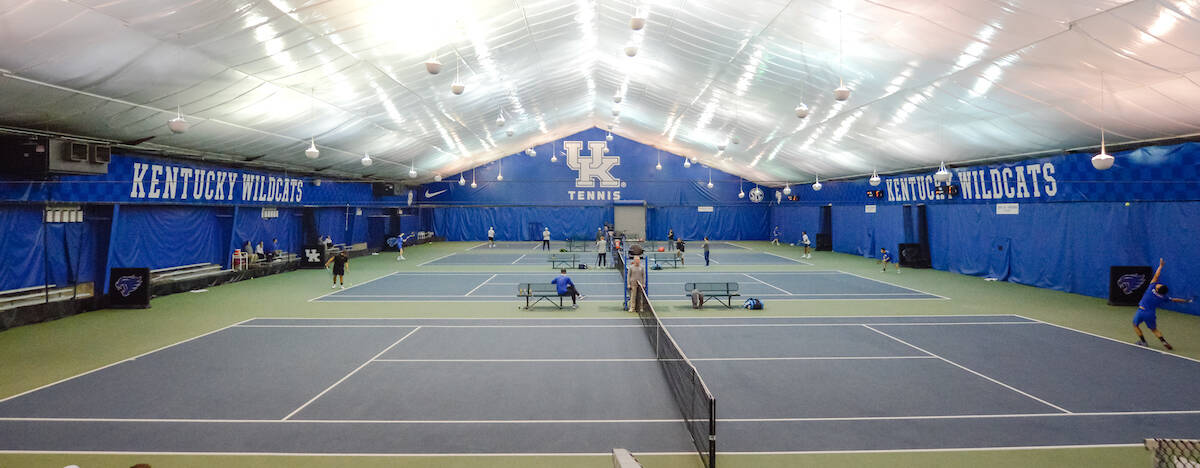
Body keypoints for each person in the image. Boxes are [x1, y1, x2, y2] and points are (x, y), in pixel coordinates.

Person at [1133, 258, 1192, 349]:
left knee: (1135, 325)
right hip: (1150, 314)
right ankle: (1163, 341)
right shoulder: (1164, 297)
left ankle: (1143, 342)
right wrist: (1185, 301)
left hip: (1141, 311)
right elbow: (1174, 299)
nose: (1159, 284)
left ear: (1157, 289)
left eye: (1159, 285)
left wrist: (1161, 266)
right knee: (1154, 329)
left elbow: (1156, 275)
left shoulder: (1151, 287)